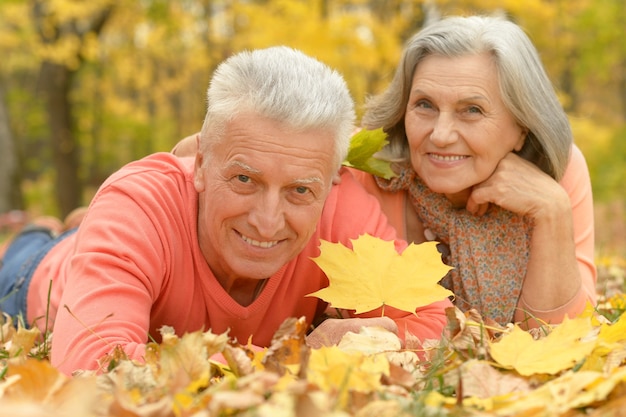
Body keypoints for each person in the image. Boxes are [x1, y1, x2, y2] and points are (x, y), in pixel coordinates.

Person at [0, 46, 450, 375]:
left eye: (298, 191)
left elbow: (432, 325)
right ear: (199, 164)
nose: (267, 220)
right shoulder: (137, 204)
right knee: (27, 252)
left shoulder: (342, 202)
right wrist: (286, 364)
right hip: (34, 280)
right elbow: (94, 373)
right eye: (244, 180)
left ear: (330, 181)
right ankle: (42, 233)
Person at [352, 15, 596, 327]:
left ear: (523, 126)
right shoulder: (363, 165)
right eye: (424, 105)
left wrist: (553, 211)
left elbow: (561, 336)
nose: (441, 134)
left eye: (472, 110)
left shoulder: (559, 170)